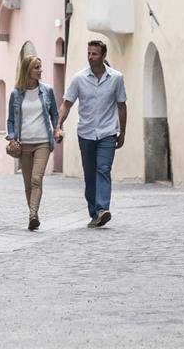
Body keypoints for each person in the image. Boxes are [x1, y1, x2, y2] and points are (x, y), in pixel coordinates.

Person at [58, 38, 126, 227]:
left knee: (103, 169)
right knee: (90, 174)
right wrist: (58, 125)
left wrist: (122, 132)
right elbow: (66, 104)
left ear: (103, 56)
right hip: (86, 133)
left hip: (107, 132)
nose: (90, 57)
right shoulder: (78, 78)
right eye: (89, 53)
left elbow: (122, 106)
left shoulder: (116, 78)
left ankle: (103, 208)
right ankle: (94, 212)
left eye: (94, 54)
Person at [4, 53, 61, 231]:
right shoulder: (16, 94)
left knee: (37, 179)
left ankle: (33, 215)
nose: (40, 70)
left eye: (40, 67)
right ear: (27, 70)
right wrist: (12, 137)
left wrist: (57, 129)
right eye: (36, 67)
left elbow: (54, 115)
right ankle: (33, 214)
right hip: (24, 145)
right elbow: (10, 121)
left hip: (43, 142)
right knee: (28, 183)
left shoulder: (47, 90)